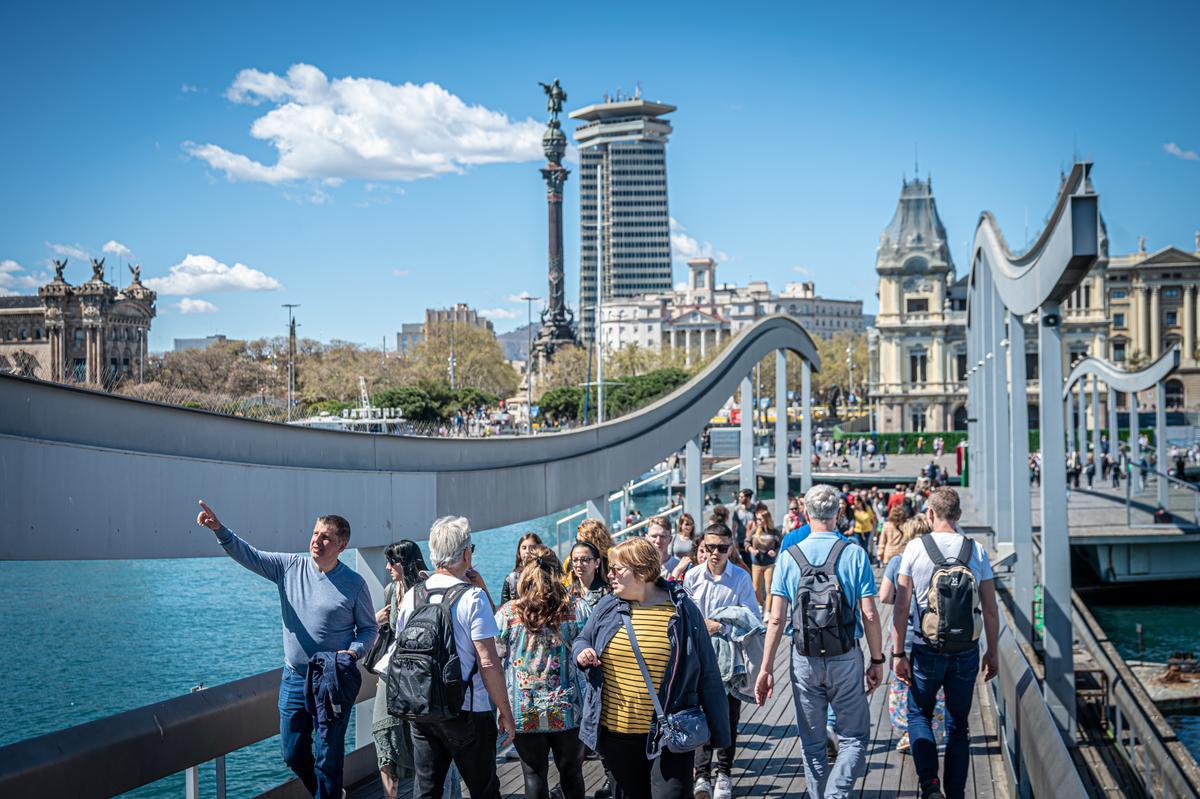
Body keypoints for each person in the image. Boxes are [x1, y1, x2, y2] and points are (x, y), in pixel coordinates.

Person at [195, 500, 377, 799]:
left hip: (332, 681)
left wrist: (354, 652)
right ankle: (330, 794)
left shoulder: (354, 584)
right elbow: (249, 555)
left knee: (328, 757)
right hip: (294, 679)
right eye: (315, 533)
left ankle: (328, 794)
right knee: (292, 752)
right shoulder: (289, 566)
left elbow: (369, 629)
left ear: (341, 544)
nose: (317, 541)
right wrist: (219, 529)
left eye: (326, 537)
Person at [574, 537, 731, 799]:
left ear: (643, 571)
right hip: (617, 735)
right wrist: (582, 653)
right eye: (609, 568)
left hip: (670, 735)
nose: (609, 574)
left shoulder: (682, 610)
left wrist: (721, 734)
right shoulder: (607, 606)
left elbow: (709, 673)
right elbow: (582, 639)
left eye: (617, 569)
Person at [754, 484, 883, 799]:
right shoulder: (853, 553)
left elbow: (775, 618)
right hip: (845, 655)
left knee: (812, 743)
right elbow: (869, 614)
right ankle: (836, 795)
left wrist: (766, 668)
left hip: (803, 658)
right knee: (853, 738)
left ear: (806, 515)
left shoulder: (789, 557)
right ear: (839, 513)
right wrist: (877, 660)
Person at [393, 516, 517, 799]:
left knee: (427, 789)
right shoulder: (473, 598)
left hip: (422, 708)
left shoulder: (412, 596)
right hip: (468, 708)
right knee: (484, 789)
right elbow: (488, 662)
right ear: (465, 553)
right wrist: (505, 713)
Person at [892, 488, 1000, 799]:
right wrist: (992, 652)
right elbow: (990, 609)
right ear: (959, 515)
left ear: (929, 514)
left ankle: (930, 786)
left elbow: (900, 606)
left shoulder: (915, 548)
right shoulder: (975, 550)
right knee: (958, 726)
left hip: (926, 647)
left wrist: (899, 653)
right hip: (966, 650)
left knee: (919, 714)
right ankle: (955, 794)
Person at [495, 545, 590, 799]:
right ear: (559, 572)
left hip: (523, 706)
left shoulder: (508, 613)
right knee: (572, 773)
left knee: (533, 774)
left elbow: (493, 656)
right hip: (568, 706)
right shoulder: (577, 608)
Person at [684, 524, 761, 799]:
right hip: (700, 657)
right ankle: (702, 774)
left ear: (731, 548)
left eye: (722, 548)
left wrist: (720, 627)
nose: (715, 553)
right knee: (699, 713)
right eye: (710, 547)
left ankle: (724, 773)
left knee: (728, 716)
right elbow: (684, 617)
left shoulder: (740, 578)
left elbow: (752, 618)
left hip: (730, 657)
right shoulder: (692, 576)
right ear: (702, 546)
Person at [746, 504, 780, 607]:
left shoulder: (774, 532)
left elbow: (780, 545)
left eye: (760, 520)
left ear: (766, 520)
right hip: (756, 563)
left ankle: (768, 610)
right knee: (755, 588)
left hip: (769, 563)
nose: (758, 522)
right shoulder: (755, 530)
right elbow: (746, 542)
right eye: (757, 519)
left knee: (769, 588)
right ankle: (761, 605)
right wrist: (751, 549)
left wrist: (775, 551)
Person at [503, 532, 544, 606]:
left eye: (532, 547)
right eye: (524, 548)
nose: (527, 551)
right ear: (519, 552)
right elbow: (504, 609)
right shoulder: (511, 578)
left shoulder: (546, 574)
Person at [569, 540, 610, 607]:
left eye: (585, 559)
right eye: (575, 560)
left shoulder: (607, 593)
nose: (579, 564)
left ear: (596, 563)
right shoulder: (567, 593)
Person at [669, 513, 699, 579]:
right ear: (681, 525)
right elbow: (669, 554)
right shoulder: (674, 538)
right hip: (674, 571)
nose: (689, 527)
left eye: (691, 524)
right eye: (687, 524)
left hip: (688, 573)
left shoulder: (695, 540)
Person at [730, 488, 756, 563]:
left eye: (742, 497)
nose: (739, 498)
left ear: (748, 498)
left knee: (753, 562)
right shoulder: (737, 509)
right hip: (741, 540)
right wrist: (734, 539)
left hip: (753, 540)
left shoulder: (755, 509)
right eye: (739, 497)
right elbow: (734, 526)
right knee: (744, 562)